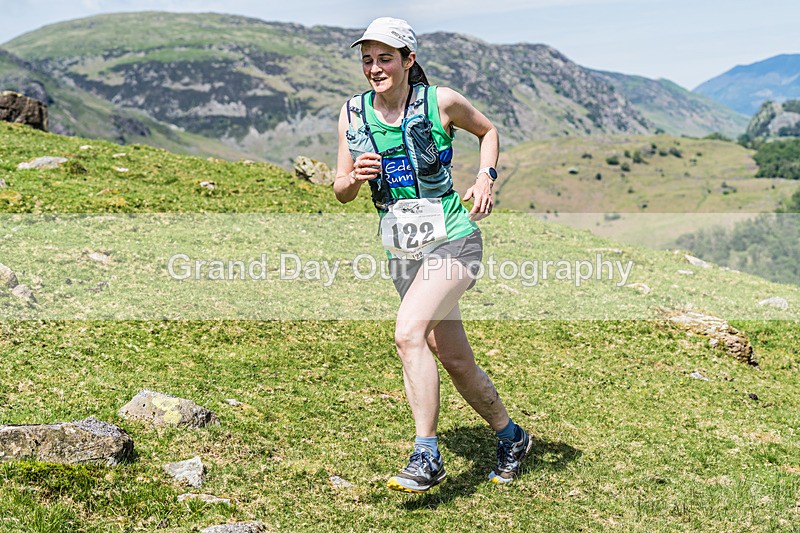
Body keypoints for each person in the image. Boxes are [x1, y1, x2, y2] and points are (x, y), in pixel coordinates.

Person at [334, 17, 532, 493]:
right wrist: (354, 177)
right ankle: (512, 436)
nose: (375, 68)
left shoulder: (439, 101)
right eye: (367, 60)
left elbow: (488, 131)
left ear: (409, 60)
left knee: (407, 334)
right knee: (454, 359)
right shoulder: (352, 114)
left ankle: (426, 455)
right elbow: (340, 189)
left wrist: (485, 179)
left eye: (385, 59)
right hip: (404, 254)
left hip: (454, 240)